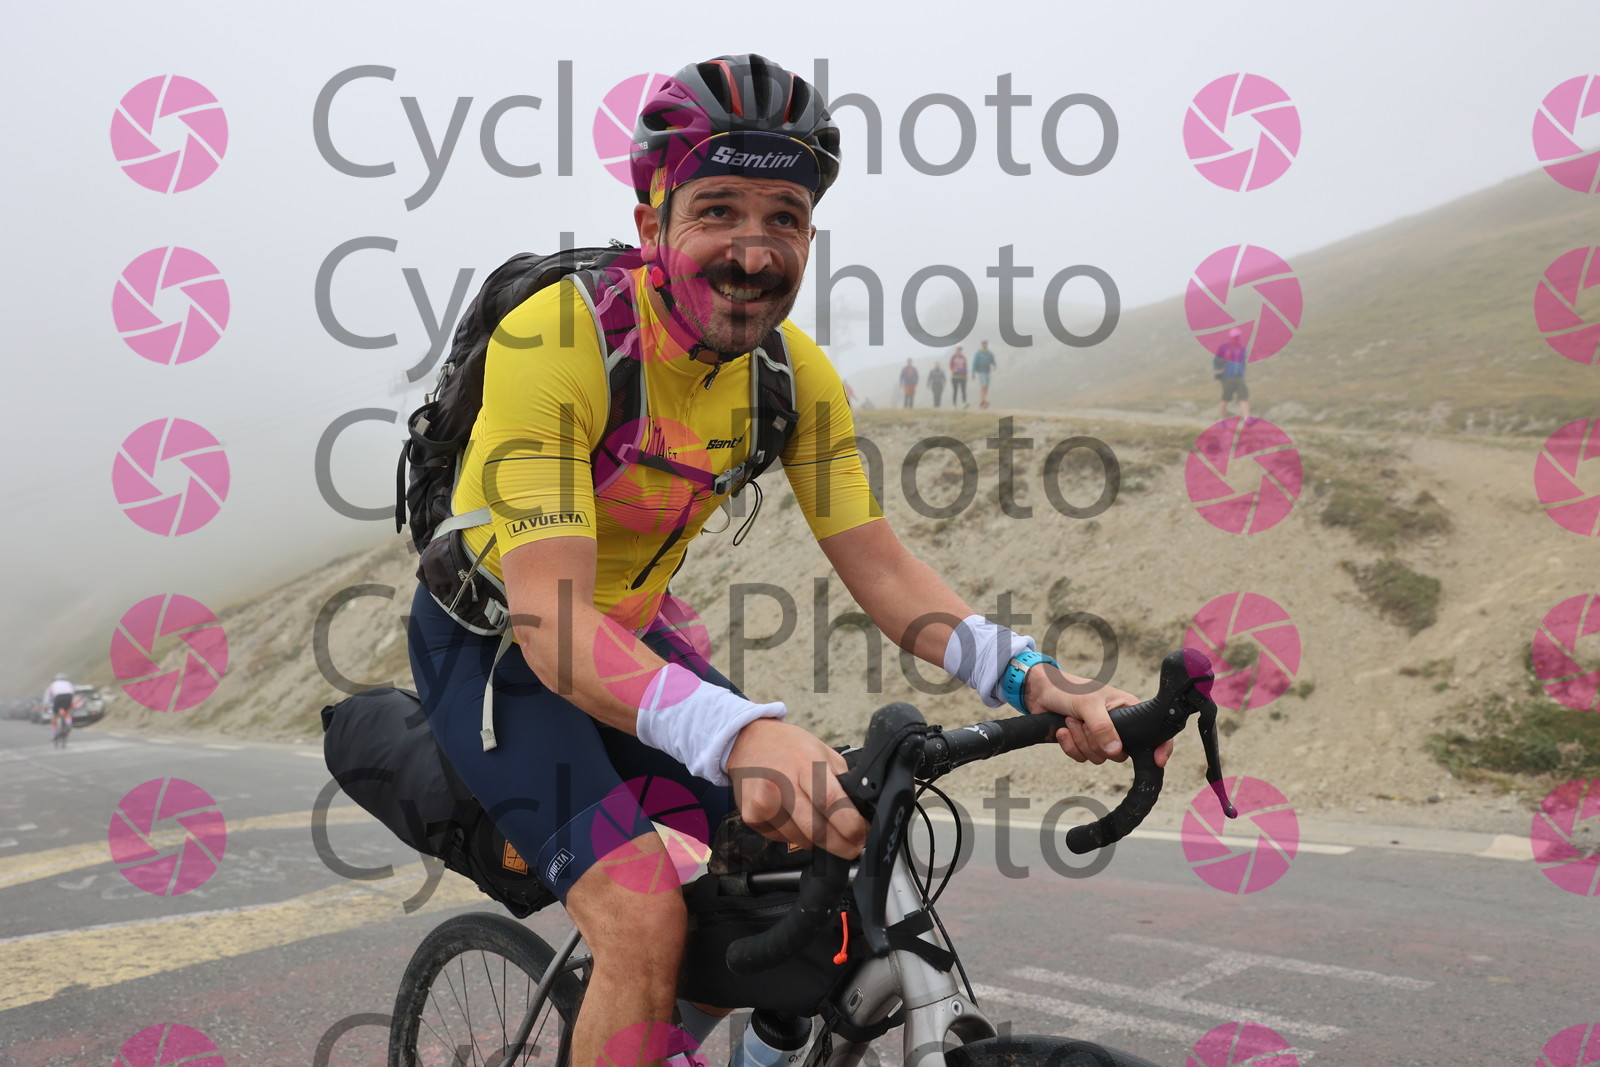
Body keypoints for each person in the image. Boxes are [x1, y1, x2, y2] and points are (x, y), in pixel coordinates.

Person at [406, 53, 1165, 1067]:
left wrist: (1036, 677)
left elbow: (883, 571)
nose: (754, 251)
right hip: (500, 653)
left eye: (786, 218)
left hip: (627, 642)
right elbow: (553, 623)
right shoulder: (557, 340)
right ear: (650, 224)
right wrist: (740, 732)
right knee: (642, 916)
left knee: (814, 854)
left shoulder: (791, 378)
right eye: (717, 210)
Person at [1214, 327, 1250, 421]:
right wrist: (1218, 373)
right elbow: (1216, 362)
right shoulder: (1224, 348)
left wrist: (1243, 372)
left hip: (1239, 377)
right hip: (1227, 377)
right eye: (1234, 337)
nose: (1236, 339)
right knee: (1225, 398)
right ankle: (1221, 419)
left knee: (1243, 397)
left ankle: (1247, 418)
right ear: (1230, 337)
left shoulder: (1242, 350)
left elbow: (1243, 363)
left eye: (1237, 337)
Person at [43, 674, 74, 748]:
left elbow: (47, 696)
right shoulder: (68, 683)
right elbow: (72, 693)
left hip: (58, 697)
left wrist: (45, 705)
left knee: (54, 715)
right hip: (68, 697)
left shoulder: (53, 684)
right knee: (66, 712)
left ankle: (54, 733)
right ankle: (68, 723)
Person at [972, 340, 997, 409]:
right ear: (981, 344)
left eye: (985, 344)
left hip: (987, 371)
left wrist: (994, 365)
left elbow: (992, 360)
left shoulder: (989, 353)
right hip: (981, 371)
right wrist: (973, 373)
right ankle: (983, 401)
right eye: (983, 344)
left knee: (986, 387)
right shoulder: (978, 353)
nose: (985, 345)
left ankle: (984, 401)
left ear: (987, 344)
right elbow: (974, 363)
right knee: (983, 385)